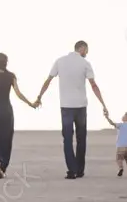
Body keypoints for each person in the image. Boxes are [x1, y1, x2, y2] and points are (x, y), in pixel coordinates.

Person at [34, 40, 109, 179]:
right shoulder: (85, 64)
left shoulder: (60, 61)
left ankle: (72, 170)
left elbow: (48, 80)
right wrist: (103, 104)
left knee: (67, 139)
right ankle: (80, 169)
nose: (87, 53)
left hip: (66, 106)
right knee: (81, 139)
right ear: (82, 48)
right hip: (81, 106)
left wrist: (39, 96)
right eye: (87, 50)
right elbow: (93, 85)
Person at [0, 53, 37, 179]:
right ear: (6, 62)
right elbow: (18, 93)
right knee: (7, 139)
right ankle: (3, 167)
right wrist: (30, 104)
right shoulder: (11, 76)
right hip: (7, 111)